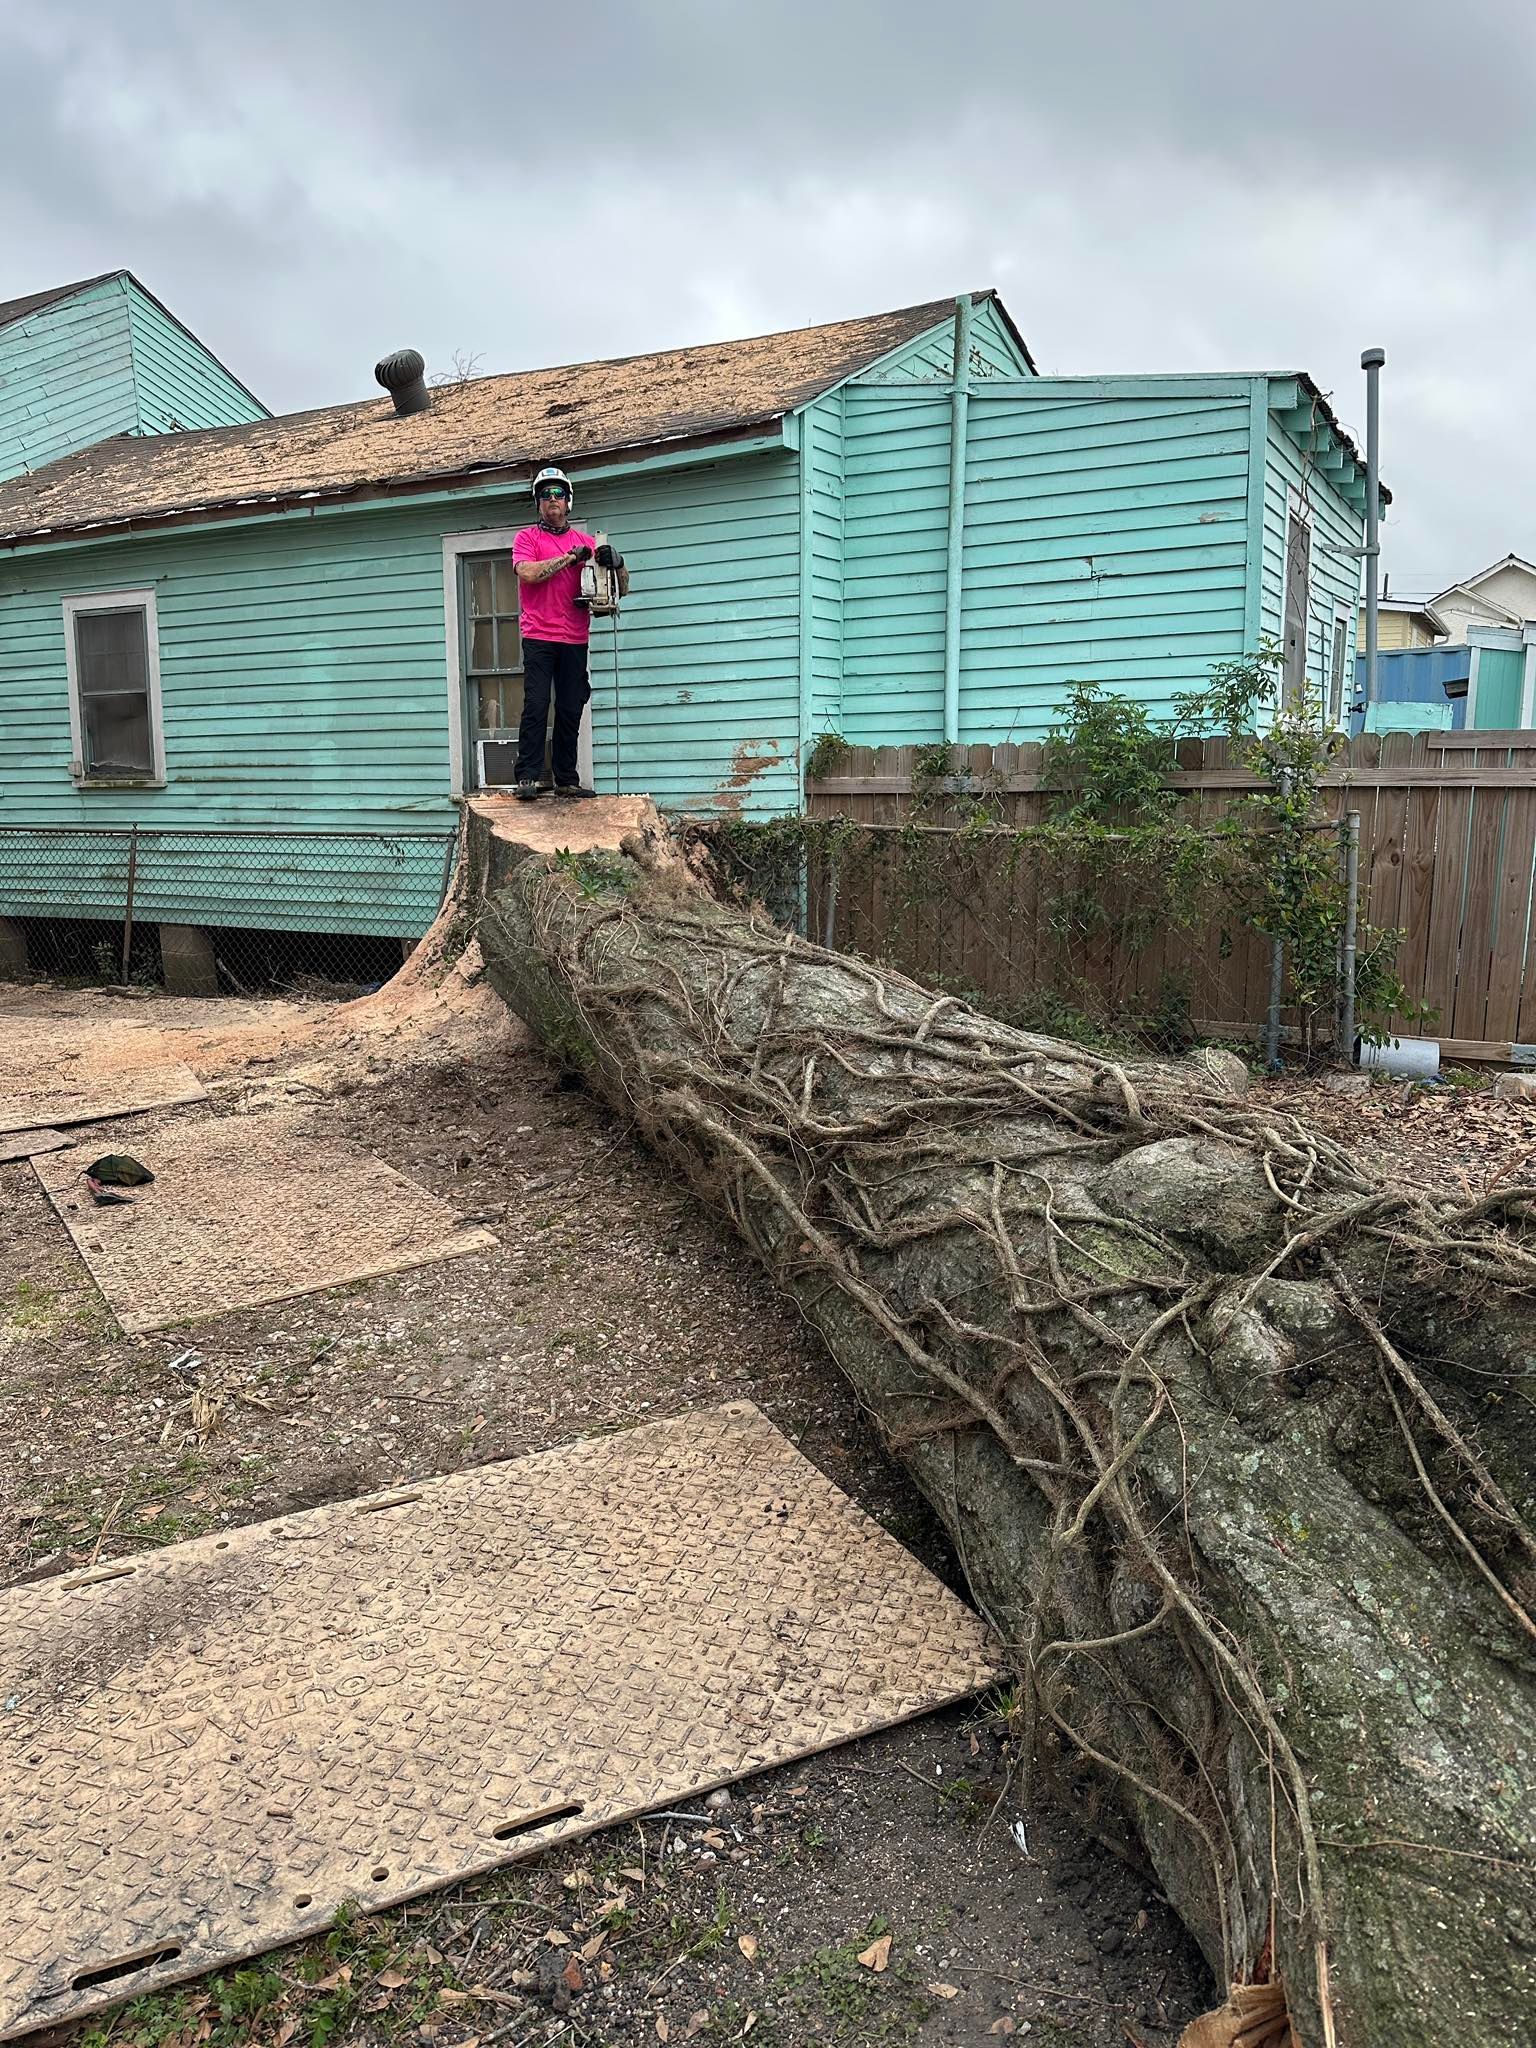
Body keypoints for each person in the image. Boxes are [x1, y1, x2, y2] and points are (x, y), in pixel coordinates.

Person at [510, 466, 628, 800]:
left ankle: (566, 779)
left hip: (575, 637)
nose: (552, 500)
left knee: (570, 707)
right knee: (536, 704)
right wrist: (567, 559)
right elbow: (528, 574)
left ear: (569, 501)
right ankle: (527, 777)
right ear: (538, 503)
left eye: (558, 494)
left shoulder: (586, 542)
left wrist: (618, 562)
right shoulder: (527, 539)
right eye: (545, 495)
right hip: (538, 635)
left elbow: (622, 589)